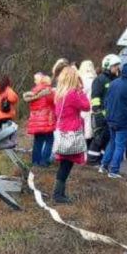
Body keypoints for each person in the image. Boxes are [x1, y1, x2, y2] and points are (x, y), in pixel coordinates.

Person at [52, 66, 91, 204]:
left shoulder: (59, 93)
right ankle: (58, 194)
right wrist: (81, 91)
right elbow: (86, 106)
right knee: (66, 164)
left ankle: (59, 193)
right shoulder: (72, 94)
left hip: (62, 129)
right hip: (71, 131)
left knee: (65, 163)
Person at [87, 54, 122, 165]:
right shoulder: (100, 80)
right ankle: (92, 160)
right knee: (99, 138)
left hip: (112, 115)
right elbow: (95, 97)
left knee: (107, 138)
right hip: (101, 114)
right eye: (115, 65)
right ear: (108, 66)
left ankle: (102, 160)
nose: (117, 68)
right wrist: (98, 111)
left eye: (117, 65)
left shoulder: (116, 79)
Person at [24, 72, 56, 167]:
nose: (34, 81)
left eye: (35, 79)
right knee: (49, 140)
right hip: (47, 119)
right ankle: (44, 161)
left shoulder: (33, 92)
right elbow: (55, 102)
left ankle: (35, 161)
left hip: (36, 121)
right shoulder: (49, 91)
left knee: (38, 141)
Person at [78, 60, 97, 144]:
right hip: (93, 107)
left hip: (83, 107)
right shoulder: (96, 80)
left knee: (83, 128)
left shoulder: (81, 80)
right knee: (91, 128)